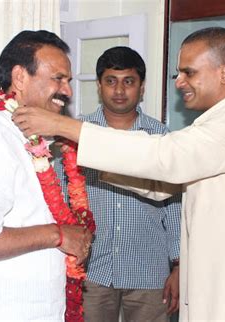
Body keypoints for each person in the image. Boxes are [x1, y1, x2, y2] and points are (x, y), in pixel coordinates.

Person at [12, 27, 225, 321]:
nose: (179, 82)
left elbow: (167, 159)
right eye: (179, 73)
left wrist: (62, 126)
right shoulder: (213, 125)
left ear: (224, 73)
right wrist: (87, 158)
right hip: (221, 283)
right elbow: (162, 183)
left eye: (189, 72)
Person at [0, 30, 93, 321]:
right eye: (58, 78)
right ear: (20, 77)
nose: (68, 91)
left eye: (69, 81)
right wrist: (58, 235)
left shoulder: (35, 141)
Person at [55, 46, 181, 322]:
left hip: (149, 271)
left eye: (129, 81)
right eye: (111, 81)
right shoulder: (77, 134)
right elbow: (60, 198)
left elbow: (174, 207)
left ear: (142, 87)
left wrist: (179, 264)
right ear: (99, 86)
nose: (120, 90)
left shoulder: (160, 137)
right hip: (91, 270)